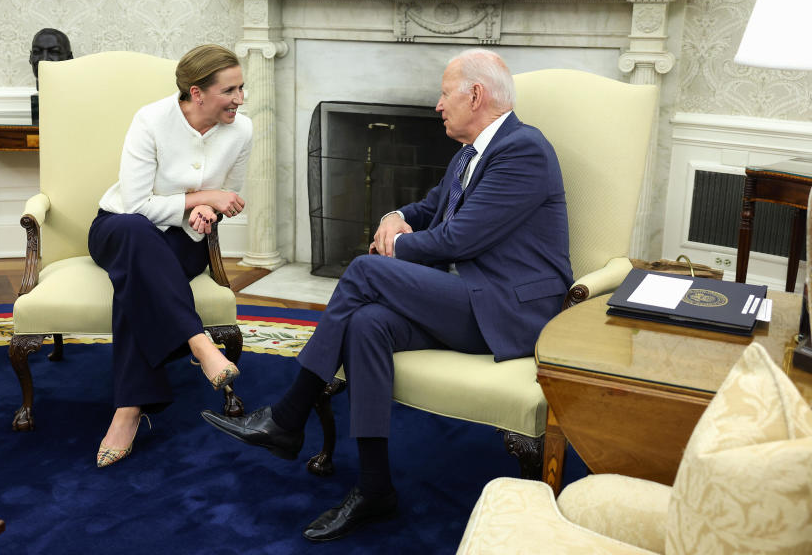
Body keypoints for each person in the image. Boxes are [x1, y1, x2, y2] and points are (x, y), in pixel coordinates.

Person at [201, 48, 573, 541]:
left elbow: (462, 239)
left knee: (365, 271)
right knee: (366, 324)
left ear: (476, 95)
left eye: (444, 94)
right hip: (466, 296)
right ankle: (375, 488)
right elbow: (429, 206)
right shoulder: (470, 152)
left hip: (509, 309)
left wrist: (395, 245)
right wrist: (393, 217)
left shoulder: (524, 150)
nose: (438, 105)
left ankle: (288, 414)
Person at [89, 44, 253, 468]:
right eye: (230, 90)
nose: (240, 99)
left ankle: (128, 412)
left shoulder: (242, 131)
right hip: (118, 229)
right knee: (135, 233)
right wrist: (199, 197)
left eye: (242, 88)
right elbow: (134, 204)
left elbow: (229, 197)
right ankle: (200, 344)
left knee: (137, 284)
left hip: (182, 240)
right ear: (196, 93)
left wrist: (207, 207)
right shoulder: (151, 120)